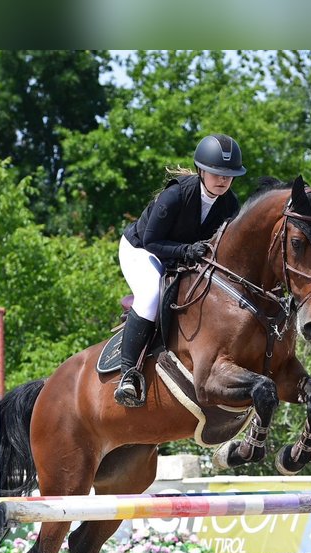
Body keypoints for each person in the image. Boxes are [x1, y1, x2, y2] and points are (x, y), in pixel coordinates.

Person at [113, 133, 246, 407]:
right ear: (201, 170)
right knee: (151, 296)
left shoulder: (230, 204)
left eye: (229, 175)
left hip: (184, 257)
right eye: (216, 173)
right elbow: (151, 241)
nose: (223, 180)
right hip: (142, 251)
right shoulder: (175, 195)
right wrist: (187, 251)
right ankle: (128, 375)